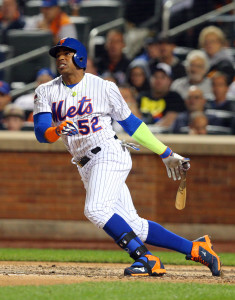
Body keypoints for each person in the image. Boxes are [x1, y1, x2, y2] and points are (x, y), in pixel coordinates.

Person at [33, 37, 221, 277]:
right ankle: (197, 249)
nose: (61, 57)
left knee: (96, 209)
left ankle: (145, 258)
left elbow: (132, 125)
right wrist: (56, 130)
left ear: (80, 57)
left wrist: (165, 152)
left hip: (109, 153)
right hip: (85, 164)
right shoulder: (46, 91)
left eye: (67, 53)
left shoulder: (104, 87)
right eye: (58, 54)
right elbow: (41, 133)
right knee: (135, 225)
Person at [137, 62, 185, 128]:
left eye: (162, 77)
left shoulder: (174, 97)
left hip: (165, 136)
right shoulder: (142, 96)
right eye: (155, 76)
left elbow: (169, 120)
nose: (158, 80)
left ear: (170, 81)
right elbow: (134, 116)